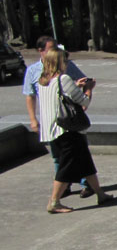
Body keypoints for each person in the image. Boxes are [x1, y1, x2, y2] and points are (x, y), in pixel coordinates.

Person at [34, 47, 112, 214]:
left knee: (85, 162)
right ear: (59, 62)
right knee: (66, 167)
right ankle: (54, 202)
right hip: (67, 131)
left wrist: (75, 86)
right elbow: (84, 102)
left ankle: (100, 193)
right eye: (65, 60)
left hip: (51, 130)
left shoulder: (43, 81)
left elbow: (57, 98)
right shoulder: (63, 79)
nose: (67, 64)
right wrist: (89, 88)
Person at [22, 36, 89, 197]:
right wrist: (33, 119)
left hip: (68, 120)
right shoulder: (34, 72)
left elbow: (73, 85)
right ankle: (60, 192)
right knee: (61, 157)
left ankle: (87, 185)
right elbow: (30, 95)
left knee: (79, 155)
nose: (56, 51)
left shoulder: (66, 67)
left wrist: (78, 86)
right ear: (41, 51)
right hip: (53, 121)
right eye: (52, 48)